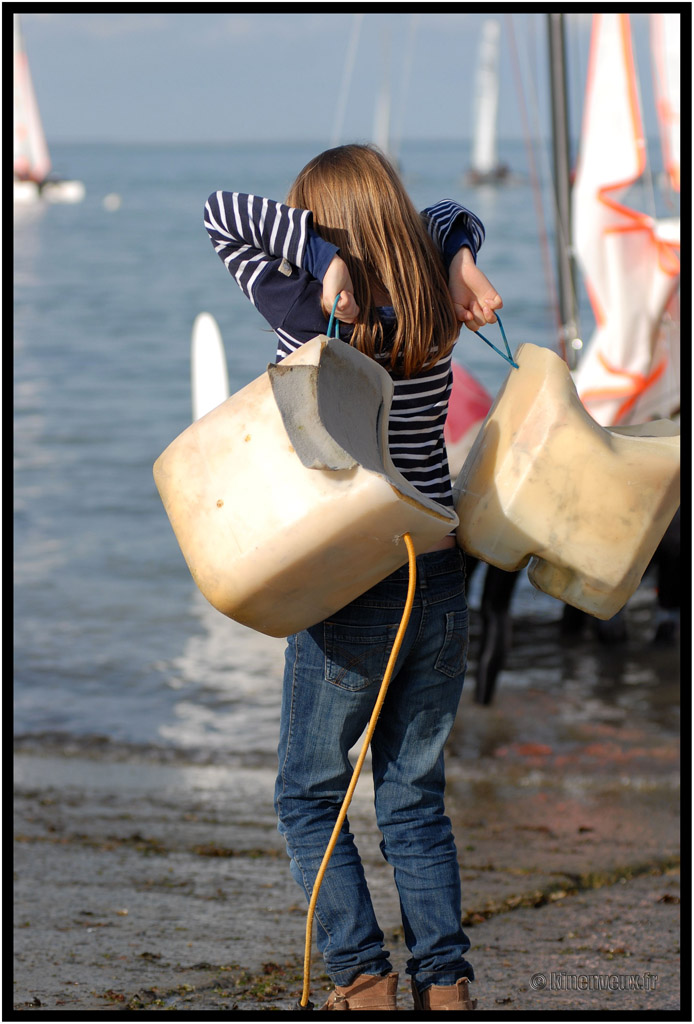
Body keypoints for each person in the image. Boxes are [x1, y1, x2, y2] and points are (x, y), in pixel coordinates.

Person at [204, 144, 502, 1012]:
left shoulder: (307, 305)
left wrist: (319, 253)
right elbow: (448, 216)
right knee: (413, 796)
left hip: (354, 581)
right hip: (440, 570)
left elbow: (222, 212)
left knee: (308, 792)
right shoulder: (435, 302)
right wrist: (458, 255)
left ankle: (362, 978)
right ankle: (444, 984)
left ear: (319, 225)